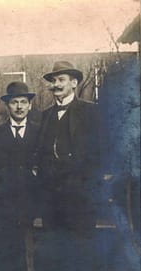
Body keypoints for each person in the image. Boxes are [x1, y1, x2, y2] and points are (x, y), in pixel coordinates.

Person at [37, 61, 100, 235]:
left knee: (79, 249)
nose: (56, 84)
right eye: (54, 80)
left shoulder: (91, 112)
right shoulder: (44, 115)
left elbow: (100, 153)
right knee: (54, 248)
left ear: (74, 83)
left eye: (61, 80)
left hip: (80, 198)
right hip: (51, 200)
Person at [0, 81, 40, 271]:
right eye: (14, 102)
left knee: (33, 247)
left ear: (30, 105)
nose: (19, 106)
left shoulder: (40, 132)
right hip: (6, 203)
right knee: (8, 249)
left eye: (23, 102)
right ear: (7, 106)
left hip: (33, 202)